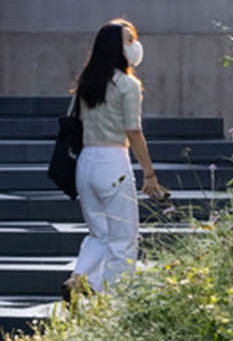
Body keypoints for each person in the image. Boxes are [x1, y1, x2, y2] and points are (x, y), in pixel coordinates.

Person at [63, 18, 168, 300]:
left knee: (100, 234)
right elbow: (133, 130)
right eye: (129, 40)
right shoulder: (127, 85)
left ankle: (79, 278)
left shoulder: (86, 82)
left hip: (85, 163)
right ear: (116, 47)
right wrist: (149, 173)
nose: (135, 45)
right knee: (124, 242)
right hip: (113, 162)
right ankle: (114, 307)